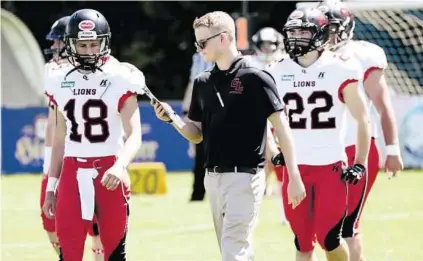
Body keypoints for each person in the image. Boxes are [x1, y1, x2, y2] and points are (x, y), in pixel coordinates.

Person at [152, 11, 306, 261]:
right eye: (196, 42)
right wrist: (173, 120)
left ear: (223, 38)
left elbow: (282, 128)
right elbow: (197, 135)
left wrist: (294, 177)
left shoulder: (256, 76)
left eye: (202, 42)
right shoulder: (203, 82)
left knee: (234, 250)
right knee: (234, 249)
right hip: (213, 179)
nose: (198, 48)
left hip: (245, 177)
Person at [266, 7, 371, 261]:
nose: (296, 37)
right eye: (292, 32)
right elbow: (261, 119)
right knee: (302, 241)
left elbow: (362, 118)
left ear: (321, 33)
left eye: (303, 31)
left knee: (329, 236)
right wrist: (272, 150)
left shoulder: (341, 68)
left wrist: (360, 163)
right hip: (294, 166)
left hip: (330, 165)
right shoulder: (275, 70)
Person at [42, 9, 143, 261]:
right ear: (71, 44)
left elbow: (135, 134)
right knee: (70, 253)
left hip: (110, 170)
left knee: (114, 254)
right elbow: (59, 139)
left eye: (94, 44)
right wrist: (51, 188)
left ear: (104, 43)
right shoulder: (58, 79)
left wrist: (120, 166)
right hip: (71, 172)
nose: (88, 51)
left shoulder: (121, 77)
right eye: (82, 44)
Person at [317, 2, 404, 261]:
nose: (324, 35)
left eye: (330, 28)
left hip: (356, 148)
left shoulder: (362, 54)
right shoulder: (306, 59)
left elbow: (382, 104)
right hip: (320, 151)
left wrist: (392, 149)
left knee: (346, 228)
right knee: (321, 228)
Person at [41, 15, 104, 261]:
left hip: (84, 156)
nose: (55, 48)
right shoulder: (54, 73)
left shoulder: (96, 73)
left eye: (58, 42)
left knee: (96, 224)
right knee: (50, 221)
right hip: (56, 156)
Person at [247, 26, 289, 224]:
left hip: (279, 122)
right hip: (255, 122)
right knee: (253, 171)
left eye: (271, 45)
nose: (267, 49)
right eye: (264, 45)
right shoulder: (249, 64)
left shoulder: (286, 64)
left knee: (283, 169)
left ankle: (285, 215)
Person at [182, 53, 214, 201]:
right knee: (200, 154)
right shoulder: (198, 57)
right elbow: (192, 83)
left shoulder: (225, 56)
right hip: (201, 109)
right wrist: (186, 109)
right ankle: (197, 193)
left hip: (220, 108)